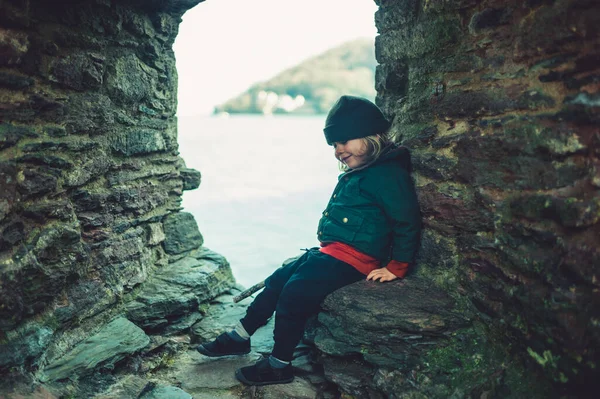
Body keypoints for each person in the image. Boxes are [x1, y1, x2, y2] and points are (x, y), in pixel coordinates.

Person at [197, 95, 421, 386]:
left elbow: (407, 221)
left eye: (344, 141)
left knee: (295, 293)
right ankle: (239, 336)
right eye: (334, 145)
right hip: (330, 253)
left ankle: (279, 364)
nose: (339, 150)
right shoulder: (361, 171)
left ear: (371, 135)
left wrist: (396, 266)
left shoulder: (388, 174)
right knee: (277, 280)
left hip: (353, 260)